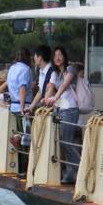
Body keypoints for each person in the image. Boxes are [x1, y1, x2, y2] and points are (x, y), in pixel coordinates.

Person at [44, 46, 80, 184]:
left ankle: (81, 166)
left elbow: (65, 85)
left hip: (70, 108)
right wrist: (46, 98)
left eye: (60, 55)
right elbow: (50, 87)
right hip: (60, 110)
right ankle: (70, 175)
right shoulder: (55, 73)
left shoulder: (70, 69)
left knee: (66, 142)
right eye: (55, 56)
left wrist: (54, 98)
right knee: (64, 142)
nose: (57, 57)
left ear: (64, 56)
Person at [6, 50, 32, 156]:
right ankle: (27, 162)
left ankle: (17, 139)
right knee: (27, 136)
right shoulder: (26, 69)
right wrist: (22, 108)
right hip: (23, 105)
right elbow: (22, 88)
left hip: (13, 105)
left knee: (20, 132)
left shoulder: (12, 68)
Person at [26, 45, 53, 113]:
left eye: (35, 55)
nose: (33, 58)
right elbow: (41, 91)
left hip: (53, 110)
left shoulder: (52, 72)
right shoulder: (41, 71)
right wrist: (31, 107)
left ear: (40, 57)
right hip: (46, 109)